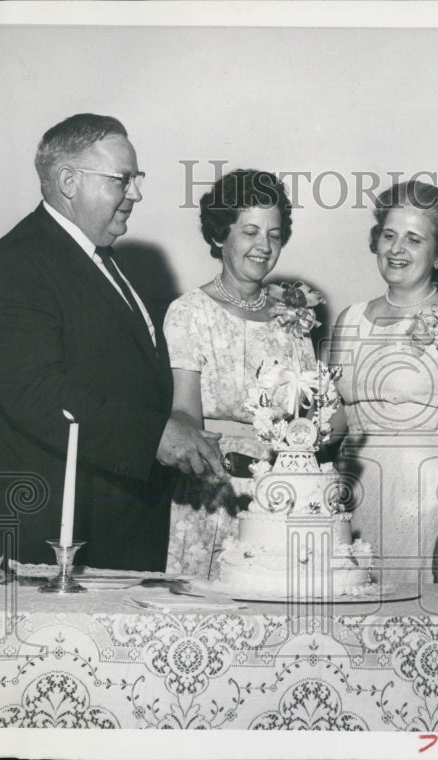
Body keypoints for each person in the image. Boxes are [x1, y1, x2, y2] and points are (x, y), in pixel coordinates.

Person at [0, 113, 223, 570]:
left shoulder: (100, 259)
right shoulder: (15, 265)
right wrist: (153, 435)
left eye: (136, 179)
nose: (135, 193)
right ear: (67, 181)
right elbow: (38, 394)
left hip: (108, 525)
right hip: (41, 535)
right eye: (122, 180)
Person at [330, 180, 438, 585]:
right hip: (355, 500)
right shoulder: (349, 319)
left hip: (429, 503)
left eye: (413, 239)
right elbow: (334, 422)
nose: (396, 248)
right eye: (388, 235)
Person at [164, 169, 319, 577]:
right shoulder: (189, 312)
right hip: (211, 492)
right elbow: (184, 414)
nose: (263, 246)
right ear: (219, 236)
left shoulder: (293, 315)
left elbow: (309, 416)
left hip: (281, 493)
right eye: (250, 231)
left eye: (274, 234)